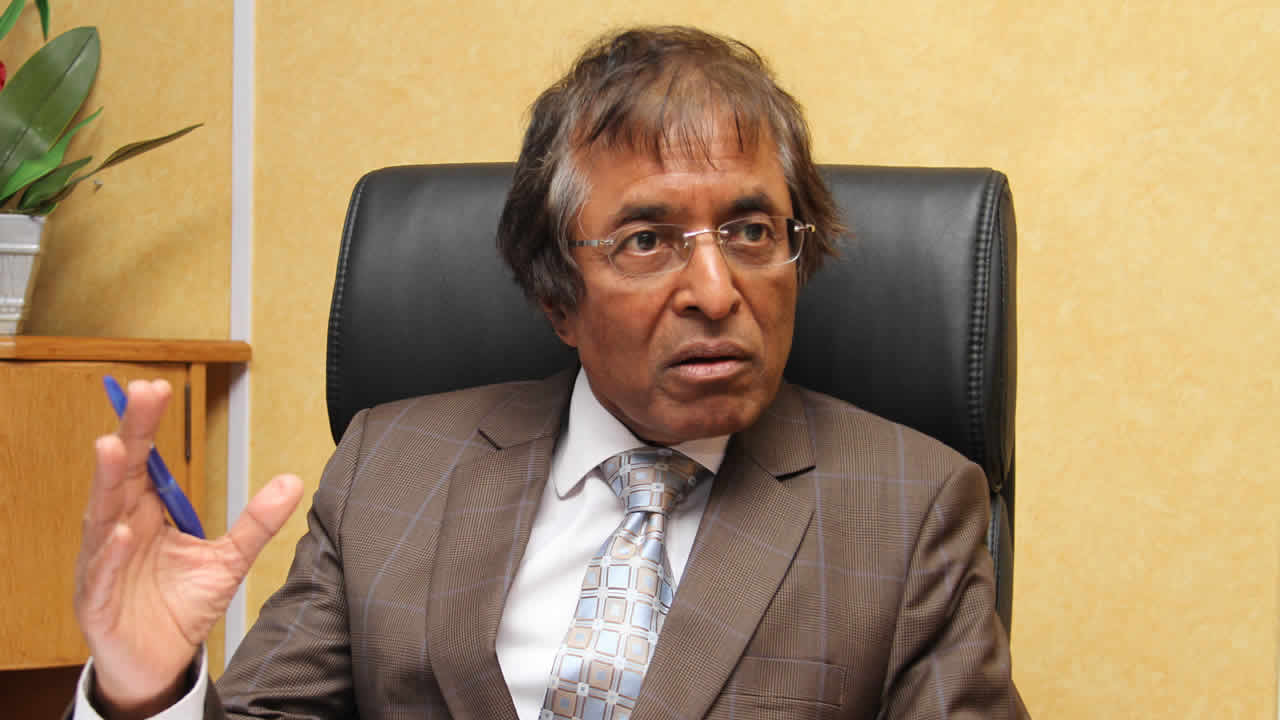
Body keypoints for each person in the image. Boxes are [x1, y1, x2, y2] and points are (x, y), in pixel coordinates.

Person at [72, 25, 1029, 720]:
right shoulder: (390, 466)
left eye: (749, 231)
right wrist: (144, 689)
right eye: (647, 239)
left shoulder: (908, 508)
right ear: (555, 294)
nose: (715, 290)